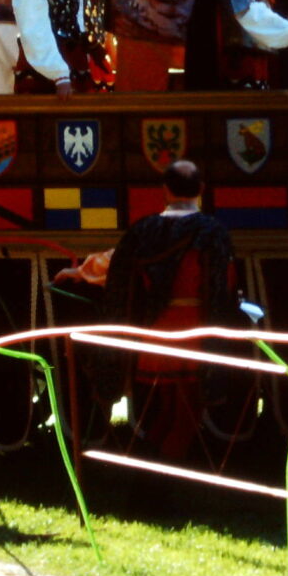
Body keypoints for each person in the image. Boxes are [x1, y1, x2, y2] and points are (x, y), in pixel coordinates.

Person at [90, 160, 247, 461]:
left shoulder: (141, 230)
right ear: (201, 190)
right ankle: (157, 485)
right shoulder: (212, 232)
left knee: (166, 412)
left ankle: (149, 475)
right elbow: (223, 288)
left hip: (153, 338)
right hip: (195, 335)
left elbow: (120, 285)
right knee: (185, 417)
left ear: (164, 190)